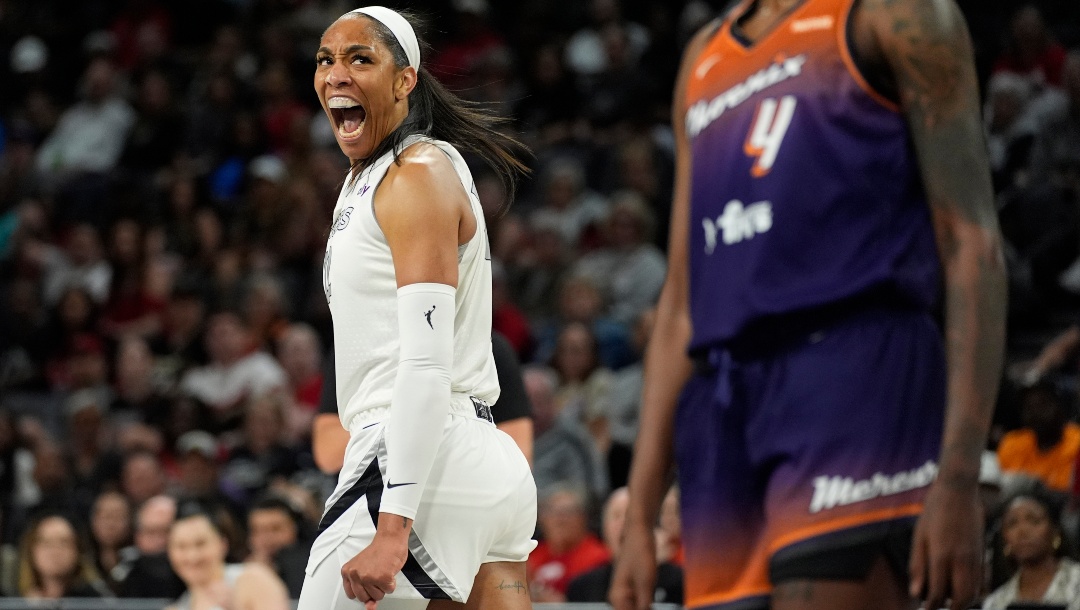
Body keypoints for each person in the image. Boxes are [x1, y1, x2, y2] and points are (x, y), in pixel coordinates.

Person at [608, 0, 1007, 609]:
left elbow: (972, 242)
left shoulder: (893, 14)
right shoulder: (703, 56)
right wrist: (640, 514)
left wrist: (959, 474)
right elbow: (681, 304)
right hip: (722, 403)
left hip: (854, 371)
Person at [298, 7, 536, 610]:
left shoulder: (415, 174)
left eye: (360, 58)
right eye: (325, 60)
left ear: (405, 80)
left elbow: (426, 366)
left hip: (417, 460)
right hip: (482, 467)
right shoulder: (381, 176)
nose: (335, 73)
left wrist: (392, 526)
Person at [166, 502, 290, 610]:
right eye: (181, 547)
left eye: (201, 544)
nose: (192, 556)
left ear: (223, 544)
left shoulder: (253, 579)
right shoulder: (175, 608)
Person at [980, 487, 1080, 609]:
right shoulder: (996, 602)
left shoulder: (1076, 581)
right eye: (1012, 524)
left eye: (1034, 521)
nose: (1022, 531)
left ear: (1055, 531)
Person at [16, 512, 112, 598]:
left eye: (64, 543)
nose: (55, 551)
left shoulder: (95, 600)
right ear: (31, 550)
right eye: (46, 543)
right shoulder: (14, 600)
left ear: (78, 551)